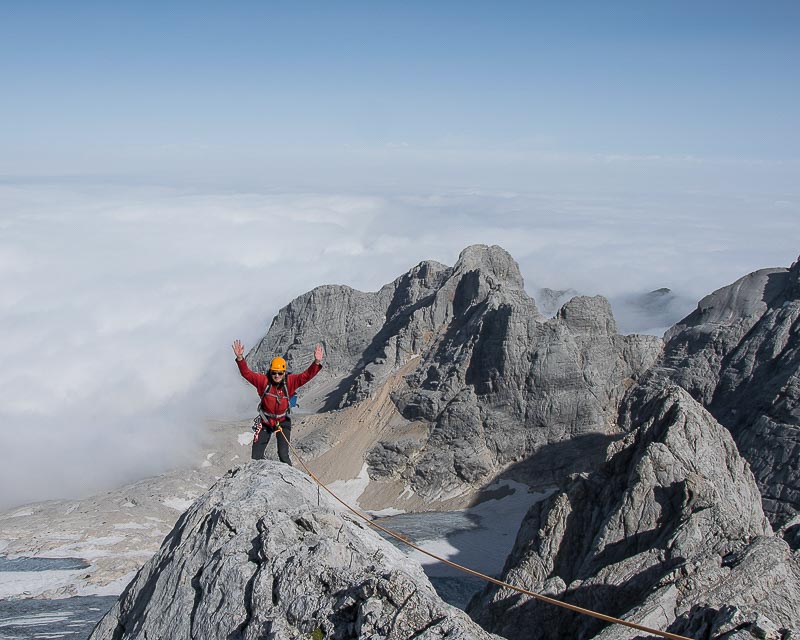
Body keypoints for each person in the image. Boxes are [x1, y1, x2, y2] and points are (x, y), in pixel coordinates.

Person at [232, 340, 324, 465]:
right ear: (270, 372)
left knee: (283, 456)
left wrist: (316, 362)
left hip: (283, 421)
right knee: (256, 457)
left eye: (280, 373)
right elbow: (246, 373)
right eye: (274, 372)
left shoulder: (290, 382)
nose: (277, 375)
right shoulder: (262, 381)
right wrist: (240, 358)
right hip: (265, 422)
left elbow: (306, 376)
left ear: (284, 373)